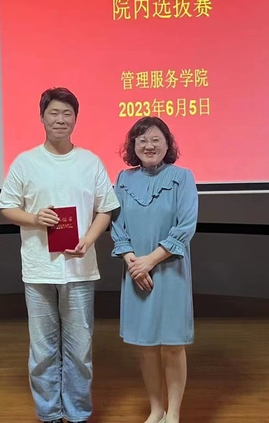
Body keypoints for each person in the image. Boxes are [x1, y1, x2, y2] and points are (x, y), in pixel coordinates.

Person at [0, 87, 120, 423]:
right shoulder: (26, 162)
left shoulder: (90, 162)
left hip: (80, 268)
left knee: (80, 348)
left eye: (67, 113)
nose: (60, 119)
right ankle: (49, 413)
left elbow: (106, 209)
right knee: (42, 349)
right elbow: (6, 206)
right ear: (42, 117)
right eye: (54, 113)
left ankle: (77, 413)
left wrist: (89, 240)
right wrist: (35, 219)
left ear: (76, 119)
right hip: (38, 268)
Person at [110, 117, 198, 423]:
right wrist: (133, 262)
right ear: (133, 145)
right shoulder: (123, 179)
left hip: (170, 270)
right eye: (142, 140)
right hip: (136, 273)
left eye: (156, 140)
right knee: (146, 347)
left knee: (172, 346)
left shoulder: (182, 177)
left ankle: (173, 414)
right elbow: (117, 227)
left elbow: (185, 227)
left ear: (167, 144)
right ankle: (156, 409)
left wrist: (150, 261)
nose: (149, 145)